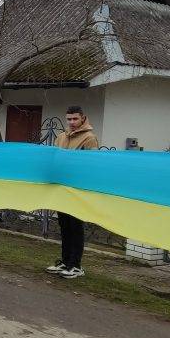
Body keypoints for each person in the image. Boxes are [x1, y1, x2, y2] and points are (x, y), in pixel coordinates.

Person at [46, 105, 99, 279]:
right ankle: (65, 261)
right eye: (69, 119)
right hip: (62, 188)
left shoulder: (89, 138)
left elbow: (91, 166)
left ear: (83, 118)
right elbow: (54, 159)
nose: (72, 122)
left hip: (77, 190)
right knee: (64, 226)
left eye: (75, 119)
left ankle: (76, 265)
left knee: (75, 227)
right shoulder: (61, 137)